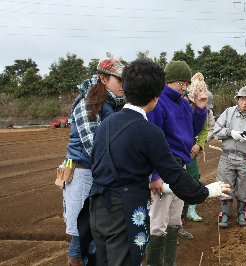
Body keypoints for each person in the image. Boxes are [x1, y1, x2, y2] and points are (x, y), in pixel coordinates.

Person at [88, 58, 230, 266]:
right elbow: (173, 173)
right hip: (127, 208)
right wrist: (206, 191)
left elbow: (97, 162)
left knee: (104, 260)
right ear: (155, 98)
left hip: (98, 207)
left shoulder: (106, 123)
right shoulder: (149, 132)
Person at [62, 58, 125, 266]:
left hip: (99, 172)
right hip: (83, 173)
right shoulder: (89, 102)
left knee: (94, 232)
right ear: (103, 78)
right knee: (83, 232)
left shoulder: (113, 104)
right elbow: (93, 147)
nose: (123, 85)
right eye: (119, 80)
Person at [146, 61, 208, 265]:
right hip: (164, 167)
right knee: (158, 222)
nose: (183, 88)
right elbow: (152, 141)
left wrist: (200, 109)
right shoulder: (158, 102)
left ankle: (169, 262)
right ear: (168, 81)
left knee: (174, 219)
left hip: (180, 166)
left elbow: (192, 130)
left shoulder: (182, 103)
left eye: (186, 84)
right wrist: (155, 174)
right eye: (179, 83)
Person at [212, 86, 246, 228]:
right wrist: (230, 132)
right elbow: (216, 131)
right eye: (242, 99)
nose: (244, 103)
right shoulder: (228, 112)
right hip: (227, 157)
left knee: (244, 187)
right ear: (238, 100)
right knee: (225, 186)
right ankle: (225, 215)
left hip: (245, 159)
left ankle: (242, 214)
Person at [184, 72, 209, 224]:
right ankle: (179, 211)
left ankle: (191, 209)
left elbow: (204, 130)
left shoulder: (202, 108)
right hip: (179, 148)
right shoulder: (182, 104)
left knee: (193, 177)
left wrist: (198, 145)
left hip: (191, 150)